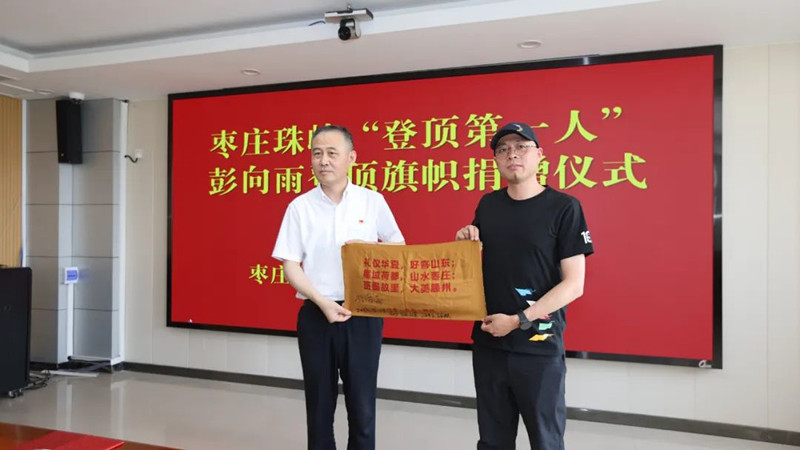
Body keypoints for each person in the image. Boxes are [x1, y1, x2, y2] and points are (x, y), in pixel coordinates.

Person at [455, 122, 594, 450]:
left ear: (540, 155)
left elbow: (574, 285)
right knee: (492, 441)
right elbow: (476, 264)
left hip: (538, 348)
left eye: (521, 147)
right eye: (503, 149)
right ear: (496, 160)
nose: (512, 154)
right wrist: (464, 241)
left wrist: (518, 320)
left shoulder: (564, 207)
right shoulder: (488, 205)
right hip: (490, 343)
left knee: (545, 441)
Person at [272, 125, 405, 450]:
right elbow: (290, 263)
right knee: (319, 405)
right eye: (317, 153)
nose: (323, 161)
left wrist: (368, 249)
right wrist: (322, 301)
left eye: (332, 153)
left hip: (363, 315)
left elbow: (399, 248)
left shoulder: (372, 201)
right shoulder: (300, 207)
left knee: (362, 406)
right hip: (317, 314)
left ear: (351, 158)